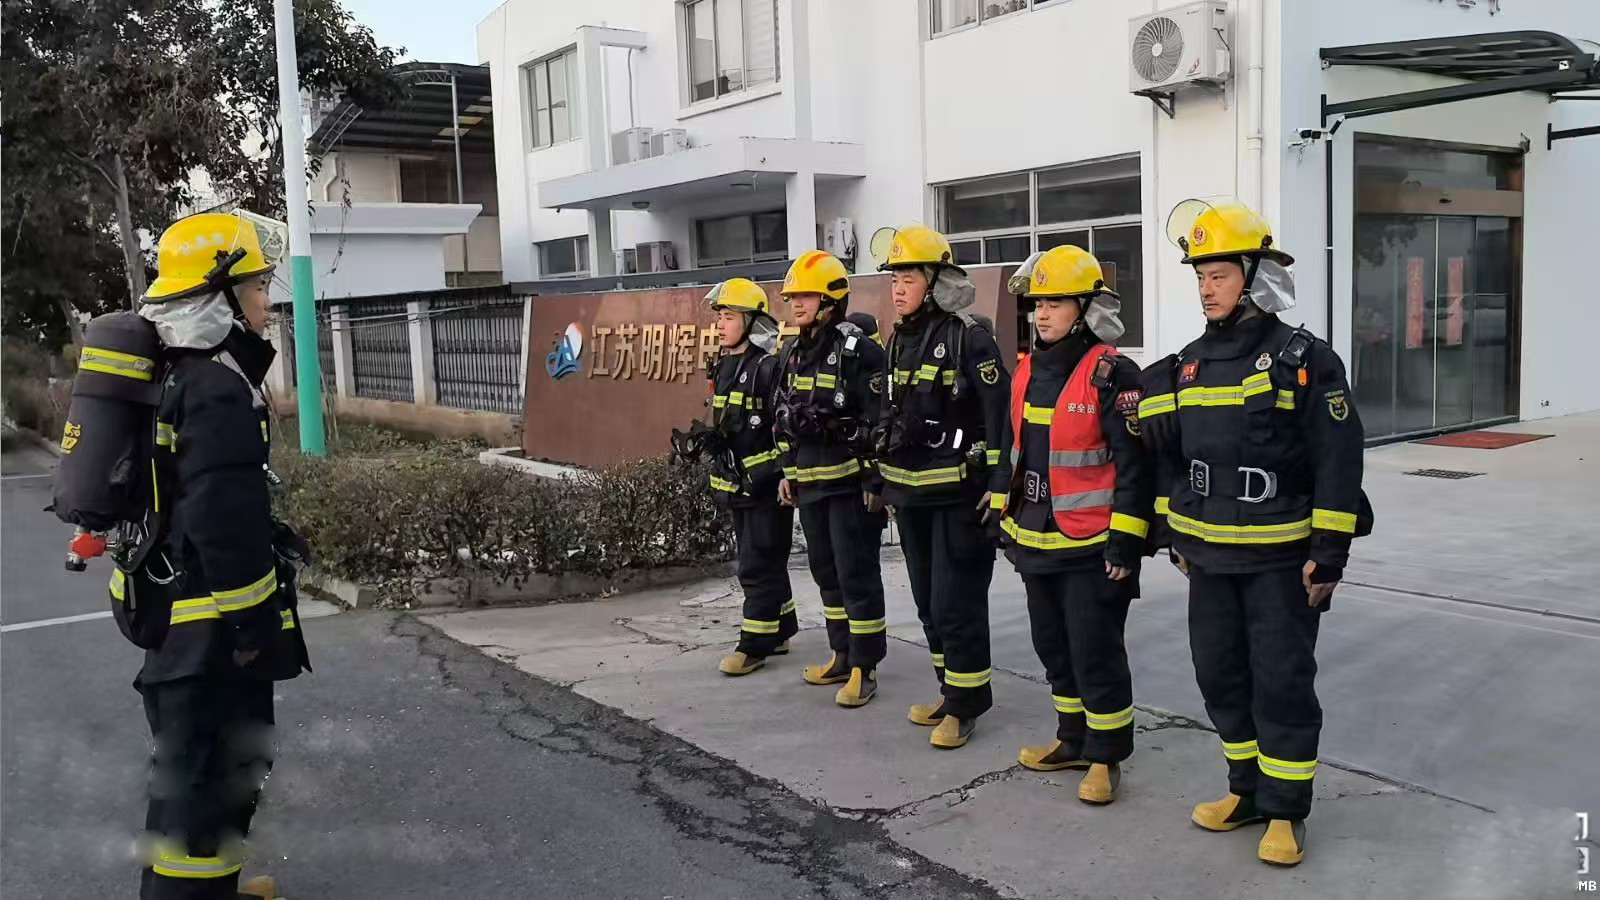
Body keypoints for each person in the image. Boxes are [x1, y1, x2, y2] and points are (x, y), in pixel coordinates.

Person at [1139, 199, 1368, 866]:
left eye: (1219, 275)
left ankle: (1286, 812)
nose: (1207, 289)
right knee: (1219, 676)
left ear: (1256, 277)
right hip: (1210, 560)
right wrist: (1178, 538)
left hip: (1279, 560)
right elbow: (1173, 460)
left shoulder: (1306, 360)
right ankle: (1245, 791)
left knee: (1281, 683)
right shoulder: (1186, 365)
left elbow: (1338, 461)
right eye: (1200, 276)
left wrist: (1329, 555)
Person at [130, 211, 310, 900]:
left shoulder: (177, 372)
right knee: (210, 785)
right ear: (221, 297)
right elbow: (223, 521)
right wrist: (255, 630)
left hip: (176, 622)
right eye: (258, 286)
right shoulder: (215, 388)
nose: (267, 301)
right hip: (209, 639)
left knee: (192, 779)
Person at [995, 245, 1153, 803]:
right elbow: (1015, 450)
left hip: (1092, 545)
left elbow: (1135, 467)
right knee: (1053, 646)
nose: (1041, 314)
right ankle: (1072, 739)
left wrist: (1126, 544)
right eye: (1038, 303)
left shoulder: (1114, 374)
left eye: (1056, 303)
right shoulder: (1027, 369)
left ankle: (1106, 758)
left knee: (1095, 650)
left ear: (1085, 309)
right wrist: (1003, 515)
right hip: (1036, 537)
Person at [874, 225, 1009, 750]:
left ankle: (966, 706)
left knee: (957, 605)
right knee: (928, 604)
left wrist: (999, 483)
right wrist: (885, 485)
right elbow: (891, 415)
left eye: (908, 278)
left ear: (935, 281)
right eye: (894, 279)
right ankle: (948, 690)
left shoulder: (969, 338)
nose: (898, 288)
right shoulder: (897, 341)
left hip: (960, 499)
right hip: (912, 499)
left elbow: (999, 419)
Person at [773, 250, 889, 707]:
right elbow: (782, 415)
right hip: (811, 486)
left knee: (856, 575)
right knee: (825, 573)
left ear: (830, 301)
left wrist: (874, 481)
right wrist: (787, 471)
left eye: (806, 295)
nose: (796, 303)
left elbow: (880, 420)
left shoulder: (861, 353)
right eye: (793, 296)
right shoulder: (793, 352)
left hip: (849, 488)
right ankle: (841, 655)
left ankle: (865, 666)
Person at [684, 279, 796, 676]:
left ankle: (754, 646)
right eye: (719, 317)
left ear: (751, 322)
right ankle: (781, 629)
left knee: (757, 563)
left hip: (766, 486)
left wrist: (782, 475)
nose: (720, 324)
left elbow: (785, 429)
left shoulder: (768, 367)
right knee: (767, 560)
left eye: (729, 317)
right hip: (739, 485)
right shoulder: (724, 364)